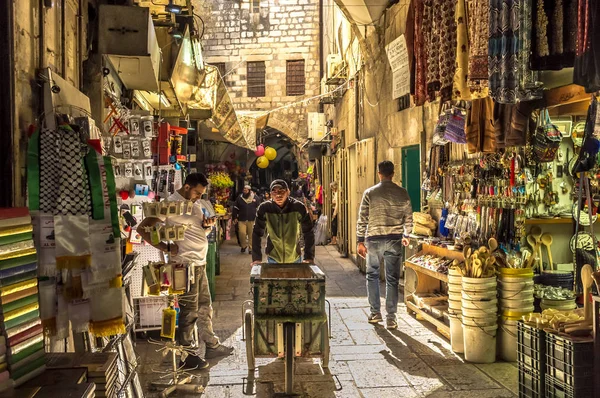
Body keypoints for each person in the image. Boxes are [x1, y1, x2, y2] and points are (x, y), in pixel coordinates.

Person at [138, 173, 233, 370]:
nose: (199, 196)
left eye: (201, 194)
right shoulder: (169, 204)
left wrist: (207, 227)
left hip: (199, 263)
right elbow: (143, 228)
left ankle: (211, 344)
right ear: (187, 187)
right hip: (184, 265)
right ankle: (186, 356)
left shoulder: (195, 204)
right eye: (197, 192)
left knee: (205, 306)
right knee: (189, 312)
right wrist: (164, 247)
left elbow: (194, 230)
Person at [356, 161, 413, 330]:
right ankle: (391, 317)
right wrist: (407, 235)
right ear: (393, 173)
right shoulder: (402, 193)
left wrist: (360, 240)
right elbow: (408, 217)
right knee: (392, 279)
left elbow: (362, 219)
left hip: (373, 240)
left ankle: (375, 313)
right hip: (394, 239)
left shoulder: (370, 193)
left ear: (378, 173)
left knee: (372, 275)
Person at [251, 179, 315, 265]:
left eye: (281, 191)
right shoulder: (264, 208)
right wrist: (257, 258)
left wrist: (309, 257)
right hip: (273, 258)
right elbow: (256, 233)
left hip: (294, 257)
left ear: (288, 192)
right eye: (275, 192)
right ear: (270, 194)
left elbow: (308, 232)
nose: (278, 195)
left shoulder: (298, 207)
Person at [232, 185, 260, 254]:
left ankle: (251, 248)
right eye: (244, 189)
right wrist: (234, 217)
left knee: (251, 235)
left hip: (252, 219)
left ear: (249, 190)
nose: (245, 190)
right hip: (242, 219)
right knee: (242, 233)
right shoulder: (240, 198)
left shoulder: (255, 198)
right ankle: (243, 246)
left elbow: (259, 208)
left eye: (246, 189)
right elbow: (235, 208)